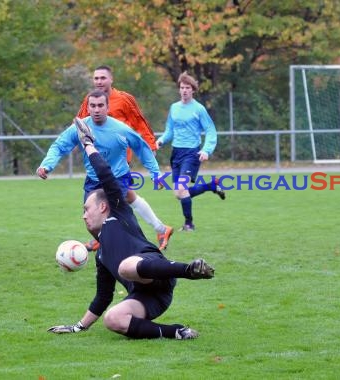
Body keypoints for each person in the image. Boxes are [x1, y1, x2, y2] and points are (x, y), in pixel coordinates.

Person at [47, 120, 215, 340]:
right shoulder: (101, 254)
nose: (83, 215)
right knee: (112, 319)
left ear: (103, 206)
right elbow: (103, 297)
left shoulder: (118, 211)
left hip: (159, 273)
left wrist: (88, 144)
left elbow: (105, 173)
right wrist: (78, 327)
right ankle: (177, 332)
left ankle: (190, 270)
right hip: (151, 300)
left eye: (86, 209)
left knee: (126, 267)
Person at [37, 91, 166, 249]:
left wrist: (155, 174)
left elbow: (142, 148)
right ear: (88, 107)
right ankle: (112, 246)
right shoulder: (81, 128)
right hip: (93, 180)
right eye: (93, 106)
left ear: (107, 107)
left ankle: (135, 249)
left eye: (100, 105)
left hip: (118, 179)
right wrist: (47, 165)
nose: (96, 109)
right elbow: (59, 145)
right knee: (91, 223)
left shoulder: (121, 129)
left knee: (115, 218)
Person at [77, 65, 172, 252]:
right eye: (96, 78)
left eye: (103, 78)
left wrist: (150, 145)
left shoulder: (124, 99)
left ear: (111, 79)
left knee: (108, 201)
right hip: (97, 159)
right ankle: (161, 229)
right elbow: (79, 123)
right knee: (126, 197)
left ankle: (108, 237)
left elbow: (139, 122)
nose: (99, 81)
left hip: (118, 159)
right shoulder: (90, 99)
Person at [156, 71, 225, 232]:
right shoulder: (174, 108)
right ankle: (211, 186)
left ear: (193, 90)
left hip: (192, 153)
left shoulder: (199, 109)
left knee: (181, 189)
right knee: (178, 193)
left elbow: (210, 130)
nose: (184, 90)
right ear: (179, 89)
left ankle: (189, 224)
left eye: (188, 87)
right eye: (182, 87)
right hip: (176, 153)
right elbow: (170, 131)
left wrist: (206, 150)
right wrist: (160, 140)